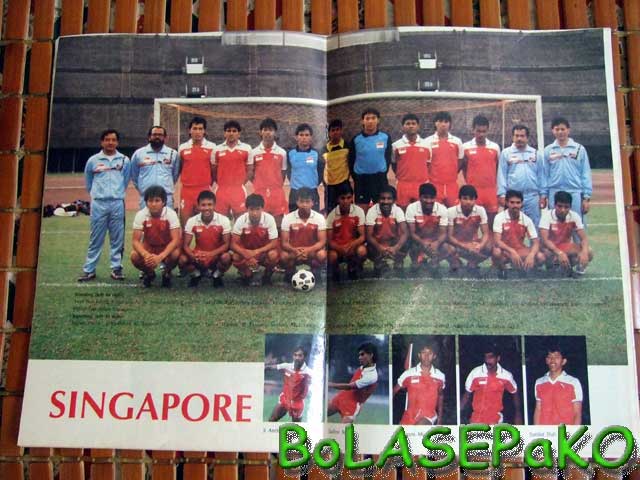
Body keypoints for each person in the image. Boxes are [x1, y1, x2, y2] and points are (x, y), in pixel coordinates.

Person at [78, 129, 131, 282]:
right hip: (99, 204)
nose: (110, 142)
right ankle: (89, 270)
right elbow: (89, 182)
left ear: (117, 142)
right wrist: (97, 195)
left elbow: (125, 180)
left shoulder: (124, 160)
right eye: (107, 139)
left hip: (117, 203)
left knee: (117, 238)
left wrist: (116, 193)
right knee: (96, 238)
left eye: (113, 140)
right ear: (102, 142)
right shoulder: (93, 160)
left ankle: (116, 268)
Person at [130, 185, 182, 287]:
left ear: (163, 202)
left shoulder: (171, 214)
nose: (153, 204)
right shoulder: (141, 214)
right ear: (146, 202)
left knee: (176, 254)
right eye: (150, 201)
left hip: (166, 246)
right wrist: (146, 255)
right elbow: (135, 241)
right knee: (134, 256)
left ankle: (166, 273)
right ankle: (149, 273)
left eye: (157, 200)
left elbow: (175, 240)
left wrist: (160, 256)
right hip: (149, 247)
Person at [179, 191, 232, 288]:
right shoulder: (192, 221)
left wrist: (211, 254)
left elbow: (226, 244)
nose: (207, 208)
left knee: (226, 257)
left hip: (216, 256)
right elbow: (186, 245)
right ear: (198, 206)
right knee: (182, 259)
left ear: (214, 205)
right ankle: (196, 275)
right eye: (203, 205)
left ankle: (217, 276)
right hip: (199, 256)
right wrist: (194, 256)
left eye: (209, 204)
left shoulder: (223, 220)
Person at [497, 124, 546, 227]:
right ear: (512, 137)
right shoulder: (506, 153)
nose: (519, 138)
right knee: (513, 228)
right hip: (513, 199)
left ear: (527, 137)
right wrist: (502, 194)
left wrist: (543, 195)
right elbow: (501, 175)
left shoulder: (535, 154)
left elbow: (541, 176)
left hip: (532, 198)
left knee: (534, 228)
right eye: (516, 135)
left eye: (522, 136)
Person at [543, 117, 592, 220]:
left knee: (576, 225)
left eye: (563, 129)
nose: (560, 132)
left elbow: (585, 173)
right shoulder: (548, 150)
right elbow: (545, 175)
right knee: (555, 227)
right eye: (557, 129)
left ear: (568, 130)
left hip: (574, 192)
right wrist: (544, 194)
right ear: (552, 131)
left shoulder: (579, 149)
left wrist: (586, 197)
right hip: (554, 192)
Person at [460, 345, 522, 425]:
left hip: (496, 421)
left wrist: (518, 414)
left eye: (490, 357)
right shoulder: (475, 373)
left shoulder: (506, 376)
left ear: (498, 358)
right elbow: (466, 396)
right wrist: (458, 414)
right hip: (476, 421)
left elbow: (515, 392)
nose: (487, 360)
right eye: (485, 357)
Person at [492, 189, 545, 278]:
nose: (515, 205)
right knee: (496, 252)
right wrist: (511, 251)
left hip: (520, 250)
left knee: (541, 257)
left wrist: (531, 255)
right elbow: (497, 241)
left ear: (522, 203)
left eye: (518, 202)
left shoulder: (527, 220)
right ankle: (502, 269)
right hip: (505, 251)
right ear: (507, 203)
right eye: (512, 202)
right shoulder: (499, 217)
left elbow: (535, 242)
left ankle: (525, 269)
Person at [231, 193, 280, 286]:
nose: (254, 213)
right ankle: (246, 274)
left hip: (263, 252)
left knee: (273, 255)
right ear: (247, 209)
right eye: (251, 209)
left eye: (258, 209)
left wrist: (256, 252)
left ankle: (267, 276)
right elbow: (233, 244)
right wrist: (247, 254)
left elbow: (274, 243)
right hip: (247, 252)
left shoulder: (269, 219)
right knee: (236, 256)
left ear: (262, 208)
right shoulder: (241, 220)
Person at [539, 191, 593, 275]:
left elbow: (583, 238)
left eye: (566, 207)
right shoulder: (547, 216)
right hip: (550, 250)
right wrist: (559, 253)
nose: (562, 210)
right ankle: (553, 266)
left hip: (565, 247)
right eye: (559, 206)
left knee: (589, 251)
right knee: (541, 257)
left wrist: (584, 252)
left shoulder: (574, 216)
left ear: (570, 207)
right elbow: (545, 240)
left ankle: (574, 266)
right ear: (554, 205)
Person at [280, 187, 327, 283]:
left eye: (307, 202)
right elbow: (284, 243)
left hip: (312, 251)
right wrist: (295, 251)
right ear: (297, 202)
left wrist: (308, 250)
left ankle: (316, 271)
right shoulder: (288, 218)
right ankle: (290, 272)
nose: (304, 205)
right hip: (294, 251)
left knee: (322, 254)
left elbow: (322, 241)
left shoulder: (319, 218)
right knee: (284, 256)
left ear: (312, 203)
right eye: (301, 201)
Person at [348, 108, 392, 211]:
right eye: (367, 118)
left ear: (378, 120)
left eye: (373, 118)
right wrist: (356, 177)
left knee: (380, 209)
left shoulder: (385, 137)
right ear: (362, 121)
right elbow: (351, 160)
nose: (370, 121)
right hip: (362, 180)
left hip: (380, 179)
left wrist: (383, 172)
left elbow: (387, 157)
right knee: (362, 210)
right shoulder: (356, 139)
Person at [461, 115, 501, 228]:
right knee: (471, 223)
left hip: (490, 192)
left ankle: (490, 245)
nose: (481, 134)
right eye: (478, 131)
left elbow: (497, 168)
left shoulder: (495, 147)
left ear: (488, 130)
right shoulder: (465, 147)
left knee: (491, 223)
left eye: (484, 131)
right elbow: (464, 168)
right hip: (473, 192)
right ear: (473, 129)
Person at [247, 118, 288, 227]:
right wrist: (260, 184)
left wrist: (274, 184)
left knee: (278, 225)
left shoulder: (282, 152)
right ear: (260, 132)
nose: (268, 132)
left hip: (276, 194)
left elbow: (283, 174)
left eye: (270, 130)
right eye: (265, 130)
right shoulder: (253, 152)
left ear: (275, 132)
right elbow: (251, 174)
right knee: (261, 225)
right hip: (260, 192)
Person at [393, 343, 445, 425]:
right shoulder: (409, 373)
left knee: (419, 427)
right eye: (423, 353)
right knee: (399, 436)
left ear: (434, 356)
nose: (426, 356)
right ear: (419, 355)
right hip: (409, 415)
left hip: (429, 415)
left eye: (430, 353)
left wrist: (440, 419)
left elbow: (441, 396)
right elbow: (394, 391)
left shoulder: (440, 376)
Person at [177, 116, 216, 226]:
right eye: (195, 128)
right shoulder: (182, 148)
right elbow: (180, 168)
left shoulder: (212, 147)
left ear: (204, 131)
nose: (197, 132)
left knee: (206, 226)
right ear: (190, 130)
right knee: (185, 226)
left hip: (204, 190)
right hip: (187, 191)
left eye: (200, 129)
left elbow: (214, 171)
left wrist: (207, 184)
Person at [327, 342, 379, 423]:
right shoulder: (363, 367)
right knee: (319, 416)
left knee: (343, 433)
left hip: (351, 405)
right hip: (341, 397)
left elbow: (349, 386)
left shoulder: (372, 376)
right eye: (359, 355)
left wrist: (330, 384)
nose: (359, 357)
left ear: (371, 355)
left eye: (362, 354)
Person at [405, 183, 449, 276]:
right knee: (409, 244)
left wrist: (436, 243)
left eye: (432, 198)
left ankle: (434, 261)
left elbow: (443, 234)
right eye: (425, 197)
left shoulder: (442, 209)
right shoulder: (411, 208)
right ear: (420, 197)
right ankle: (415, 262)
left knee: (449, 249)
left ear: (435, 198)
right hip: (418, 241)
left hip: (434, 241)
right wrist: (423, 243)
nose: (429, 201)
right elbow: (411, 233)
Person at [446, 185, 491, 275]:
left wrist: (480, 246)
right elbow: (449, 237)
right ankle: (455, 261)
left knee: (490, 245)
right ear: (459, 199)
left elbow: (486, 234)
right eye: (465, 198)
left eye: (471, 199)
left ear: (475, 200)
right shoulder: (450, 211)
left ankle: (473, 262)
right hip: (456, 245)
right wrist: (464, 246)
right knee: (446, 247)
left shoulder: (480, 210)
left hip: (473, 244)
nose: (468, 202)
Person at [131, 126, 180, 209]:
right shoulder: (139, 154)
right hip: (146, 197)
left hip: (166, 197)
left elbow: (175, 175)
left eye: (160, 135)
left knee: (166, 221)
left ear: (165, 138)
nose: (157, 137)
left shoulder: (173, 154)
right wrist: (142, 187)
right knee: (146, 221)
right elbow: (134, 175)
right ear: (149, 137)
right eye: (154, 134)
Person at [326, 183, 367, 282]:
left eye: (349, 198)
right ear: (337, 199)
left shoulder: (359, 211)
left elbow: (362, 237)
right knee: (332, 256)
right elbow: (329, 241)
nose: (346, 201)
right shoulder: (331, 216)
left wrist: (352, 245)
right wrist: (340, 248)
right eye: (342, 198)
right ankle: (335, 271)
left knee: (362, 251)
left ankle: (354, 267)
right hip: (338, 248)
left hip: (352, 247)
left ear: (352, 198)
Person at [365, 185, 409, 277]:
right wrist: (379, 247)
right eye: (383, 198)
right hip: (378, 244)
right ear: (378, 199)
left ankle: (398, 262)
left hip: (393, 243)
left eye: (389, 198)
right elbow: (369, 236)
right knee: (368, 247)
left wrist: (396, 247)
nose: (386, 201)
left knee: (406, 242)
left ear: (394, 200)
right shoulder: (372, 211)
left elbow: (405, 233)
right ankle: (378, 263)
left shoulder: (398, 210)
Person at [533, 346, 583, 425]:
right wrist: (536, 431)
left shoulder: (573, 382)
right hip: (545, 432)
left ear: (563, 361)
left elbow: (577, 412)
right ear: (546, 360)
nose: (552, 360)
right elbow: (538, 409)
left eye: (556, 357)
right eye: (550, 357)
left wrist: (574, 433)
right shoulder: (539, 382)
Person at [212, 120, 252, 218]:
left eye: (234, 131)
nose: (231, 133)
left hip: (238, 190)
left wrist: (241, 183)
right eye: (228, 131)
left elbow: (250, 170)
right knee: (221, 221)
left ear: (239, 134)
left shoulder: (247, 148)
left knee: (240, 220)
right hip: (221, 190)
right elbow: (213, 170)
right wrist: (221, 182)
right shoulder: (217, 149)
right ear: (224, 133)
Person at [424, 111, 464, 207]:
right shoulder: (427, 141)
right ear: (435, 123)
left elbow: (460, 161)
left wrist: (451, 173)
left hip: (452, 185)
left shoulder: (457, 141)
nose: (443, 124)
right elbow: (425, 164)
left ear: (450, 124)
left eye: (446, 122)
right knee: (436, 213)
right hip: (434, 185)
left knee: (453, 213)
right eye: (440, 121)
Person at [391, 113, 431, 208]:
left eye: (413, 123)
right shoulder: (396, 145)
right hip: (403, 185)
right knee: (403, 211)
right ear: (403, 127)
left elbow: (428, 164)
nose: (411, 126)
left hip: (421, 184)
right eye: (407, 124)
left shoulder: (426, 144)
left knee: (419, 212)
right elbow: (394, 165)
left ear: (418, 126)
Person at [265, 346, 312, 422]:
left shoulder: (308, 372)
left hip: (297, 403)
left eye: (300, 355)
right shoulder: (287, 366)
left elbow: (319, 381)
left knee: (296, 428)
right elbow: (272, 367)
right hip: (285, 399)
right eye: (295, 355)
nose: (297, 357)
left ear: (304, 357)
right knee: (272, 420)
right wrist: (263, 368)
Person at [287, 123, 324, 212]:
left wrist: (312, 184)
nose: (304, 137)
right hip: (295, 193)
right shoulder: (290, 154)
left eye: (307, 135)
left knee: (314, 220)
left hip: (312, 192)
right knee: (294, 221)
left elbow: (320, 172)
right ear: (296, 137)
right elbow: (288, 172)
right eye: (301, 135)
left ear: (311, 137)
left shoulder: (316, 154)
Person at [322, 119, 351, 212]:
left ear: (341, 131)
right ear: (329, 133)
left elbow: (351, 163)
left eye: (338, 129)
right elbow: (321, 167)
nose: (335, 132)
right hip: (330, 187)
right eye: (333, 130)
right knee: (330, 211)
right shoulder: (323, 149)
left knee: (345, 210)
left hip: (344, 184)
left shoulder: (348, 146)